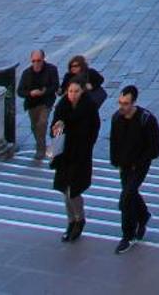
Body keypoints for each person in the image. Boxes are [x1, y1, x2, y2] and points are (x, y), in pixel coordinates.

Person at [109, 85, 159, 252]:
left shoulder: (146, 120)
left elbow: (154, 147)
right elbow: (114, 141)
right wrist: (116, 160)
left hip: (139, 165)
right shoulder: (117, 118)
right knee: (130, 192)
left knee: (126, 197)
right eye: (120, 102)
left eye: (125, 103)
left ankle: (128, 235)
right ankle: (143, 215)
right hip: (124, 165)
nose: (122, 107)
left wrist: (139, 161)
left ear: (134, 103)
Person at [49, 77, 102, 241]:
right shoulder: (62, 105)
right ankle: (71, 221)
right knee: (65, 190)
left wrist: (84, 144)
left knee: (74, 191)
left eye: (76, 91)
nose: (72, 94)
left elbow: (93, 130)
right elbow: (55, 129)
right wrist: (56, 129)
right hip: (64, 154)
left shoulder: (89, 107)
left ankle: (79, 218)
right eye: (70, 91)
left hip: (80, 155)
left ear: (82, 92)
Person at [17, 50, 60, 160]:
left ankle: (40, 148)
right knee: (35, 126)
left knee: (42, 122)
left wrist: (44, 92)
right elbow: (20, 91)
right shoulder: (27, 73)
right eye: (34, 61)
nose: (36, 63)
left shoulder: (51, 70)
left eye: (38, 61)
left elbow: (55, 86)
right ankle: (41, 144)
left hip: (46, 101)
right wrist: (31, 93)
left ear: (43, 59)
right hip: (32, 103)